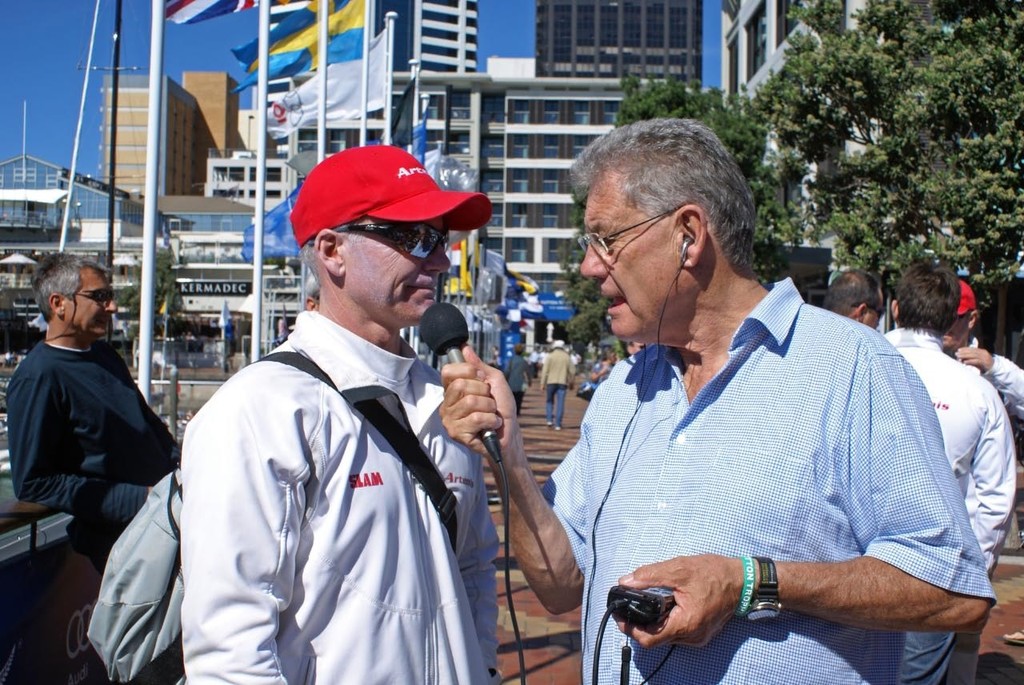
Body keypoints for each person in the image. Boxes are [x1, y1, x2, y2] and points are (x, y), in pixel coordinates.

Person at [438, 118, 993, 684]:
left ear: (688, 234)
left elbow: (954, 589)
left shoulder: (852, 368)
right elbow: (560, 587)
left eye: (605, 239)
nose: (588, 267)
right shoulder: (623, 389)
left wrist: (749, 584)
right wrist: (507, 458)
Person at [178, 145, 501, 683]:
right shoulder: (263, 408)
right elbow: (227, 645)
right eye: (414, 236)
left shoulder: (446, 397)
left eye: (440, 238)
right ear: (332, 251)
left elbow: (474, 564)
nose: (440, 260)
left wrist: (483, 664)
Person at [885, 263, 1016, 684]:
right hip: (937, 572)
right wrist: (972, 572)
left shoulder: (851, 363)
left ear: (896, 307)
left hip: (845, 567)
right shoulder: (977, 392)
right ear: (948, 322)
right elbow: (994, 497)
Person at [6, 253, 178, 572]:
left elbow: (148, 425)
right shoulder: (38, 377)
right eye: (99, 296)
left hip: (167, 523)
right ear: (59, 303)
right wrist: (140, 498)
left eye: (109, 296)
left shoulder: (103, 354)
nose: (110, 306)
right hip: (123, 546)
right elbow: (34, 483)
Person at [540, 339, 574, 430]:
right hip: (562, 382)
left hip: (551, 382)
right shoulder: (566, 357)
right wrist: (572, 382)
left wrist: (542, 383)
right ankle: (558, 424)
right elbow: (572, 371)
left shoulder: (550, 356)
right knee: (560, 403)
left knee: (549, 401)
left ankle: (549, 420)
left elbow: (544, 371)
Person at [503, 342, 530, 415]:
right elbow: (528, 372)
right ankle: (517, 412)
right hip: (521, 383)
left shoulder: (511, 360)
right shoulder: (524, 361)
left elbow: (507, 371)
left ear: (514, 351)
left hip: (511, 382)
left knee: (512, 398)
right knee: (519, 399)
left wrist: (505, 379)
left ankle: (513, 411)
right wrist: (530, 382)